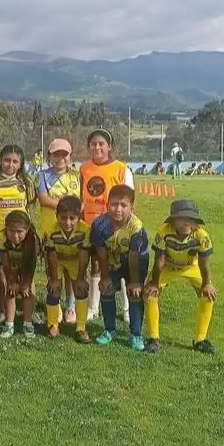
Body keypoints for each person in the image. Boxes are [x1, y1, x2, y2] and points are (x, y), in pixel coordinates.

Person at [144, 200, 217, 354]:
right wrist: (154, 283)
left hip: (191, 267)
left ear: (195, 221)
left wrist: (207, 283)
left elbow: (204, 263)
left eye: (190, 219)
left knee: (208, 294)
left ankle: (200, 340)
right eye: (181, 218)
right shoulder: (164, 232)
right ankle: (153, 338)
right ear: (173, 220)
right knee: (150, 293)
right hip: (168, 266)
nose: (185, 222)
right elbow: (160, 260)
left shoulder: (202, 236)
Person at [80, 129, 134, 323]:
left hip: (115, 225)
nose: (97, 147)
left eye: (101, 144)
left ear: (109, 147)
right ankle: (93, 308)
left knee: (121, 266)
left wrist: (125, 225)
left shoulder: (121, 168)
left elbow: (129, 198)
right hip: (92, 226)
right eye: (93, 144)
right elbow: (81, 197)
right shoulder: (84, 168)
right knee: (95, 265)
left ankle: (127, 309)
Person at [90, 185, 148, 352]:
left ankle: (136, 333)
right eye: (114, 204)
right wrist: (105, 277)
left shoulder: (136, 227)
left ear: (132, 207)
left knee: (134, 293)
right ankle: (109, 330)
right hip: (112, 261)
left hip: (135, 261)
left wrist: (135, 281)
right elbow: (100, 252)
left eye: (123, 205)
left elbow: (133, 256)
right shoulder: (100, 225)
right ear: (107, 205)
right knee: (107, 289)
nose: (118, 209)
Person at [0, 145, 35, 325]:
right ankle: (1, 309)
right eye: (7, 160)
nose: (10, 165)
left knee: (25, 273)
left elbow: (30, 209)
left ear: (21, 164)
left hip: (21, 236)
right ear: (0, 160)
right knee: (0, 272)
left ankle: (27, 310)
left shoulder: (26, 183)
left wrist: (30, 232)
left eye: (15, 162)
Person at [36, 138, 81, 324]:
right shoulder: (42, 176)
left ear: (70, 156)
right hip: (51, 233)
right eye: (56, 154)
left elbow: (82, 201)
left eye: (64, 154)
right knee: (53, 272)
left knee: (72, 272)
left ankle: (70, 306)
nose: (60, 158)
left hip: (73, 233)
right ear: (49, 156)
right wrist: (68, 207)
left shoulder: (77, 176)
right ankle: (55, 307)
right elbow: (44, 200)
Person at [45, 195, 92, 341]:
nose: (67, 222)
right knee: (54, 289)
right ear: (56, 215)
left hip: (76, 260)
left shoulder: (85, 230)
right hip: (57, 260)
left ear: (79, 216)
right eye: (63, 217)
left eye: (72, 218)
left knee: (81, 288)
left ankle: (81, 328)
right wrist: (53, 279)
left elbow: (84, 255)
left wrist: (81, 278)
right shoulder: (50, 231)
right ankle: (52, 325)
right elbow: (51, 256)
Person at [0, 211, 40, 339]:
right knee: (11, 291)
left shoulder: (33, 240)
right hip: (11, 262)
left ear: (27, 230)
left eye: (20, 232)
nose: (15, 236)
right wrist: (11, 281)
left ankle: (28, 323)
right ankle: (9, 324)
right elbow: (5, 264)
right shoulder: (2, 239)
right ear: (6, 228)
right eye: (11, 231)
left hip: (27, 264)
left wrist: (25, 283)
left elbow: (30, 265)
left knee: (27, 292)